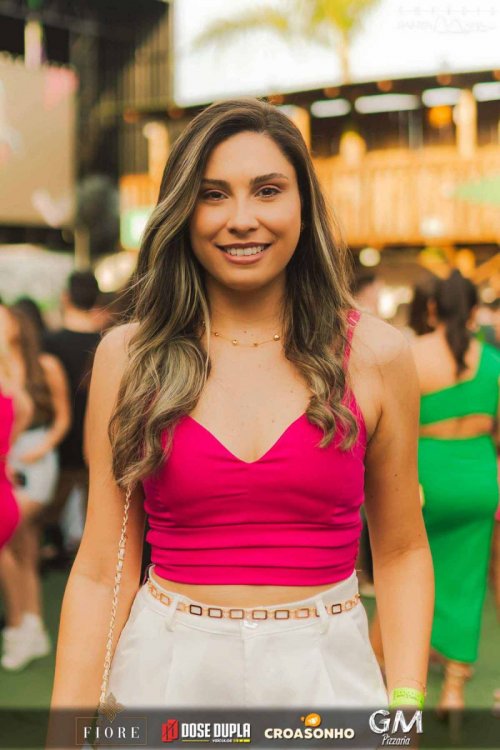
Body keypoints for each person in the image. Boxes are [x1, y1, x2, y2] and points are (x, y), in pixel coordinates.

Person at [49, 98, 433, 718]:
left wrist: (406, 704)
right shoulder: (131, 355)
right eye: (213, 195)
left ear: (303, 205)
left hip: (325, 681)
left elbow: (402, 551)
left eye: (268, 190)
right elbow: (99, 569)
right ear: (182, 210)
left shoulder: (378, 354)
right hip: (165, 677)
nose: (242, 219)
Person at [411, 270, 500, 724]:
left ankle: (405, 683)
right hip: (479, 479)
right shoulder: (494, 362)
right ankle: (454, 690)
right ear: (473, 312)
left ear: (432, 309)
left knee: (413, 576)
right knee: (468, 584)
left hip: (425, 481)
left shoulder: (413, 355)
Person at [0, 304, 71, 670]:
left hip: (38, 460)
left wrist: (42, 448)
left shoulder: (45, 365)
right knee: (23, 549)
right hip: (12, 458)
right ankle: (32, 626)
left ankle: (21, 628)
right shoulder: (4, 367)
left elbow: (63, 418)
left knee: (12, 543)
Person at [41, 271, 101, 560]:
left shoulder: (48, 343)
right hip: (100, 442)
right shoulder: (108, 341)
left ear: (66, 298)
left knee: (47, 514)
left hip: (59, 442)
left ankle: (53, 550)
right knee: (98, 517)